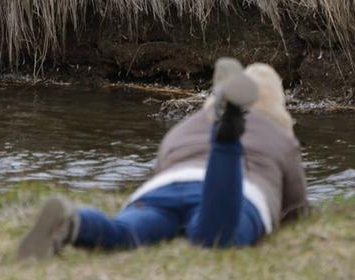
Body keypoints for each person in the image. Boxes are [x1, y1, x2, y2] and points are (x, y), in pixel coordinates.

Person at [17, 58, 308, 259]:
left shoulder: (184, 129)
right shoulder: (281, 139)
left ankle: (73, 222)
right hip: (238, 191)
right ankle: (227, 139)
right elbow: (295, 206)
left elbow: (161, 166)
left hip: (164, 188)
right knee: (217, 237)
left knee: (126, 233)